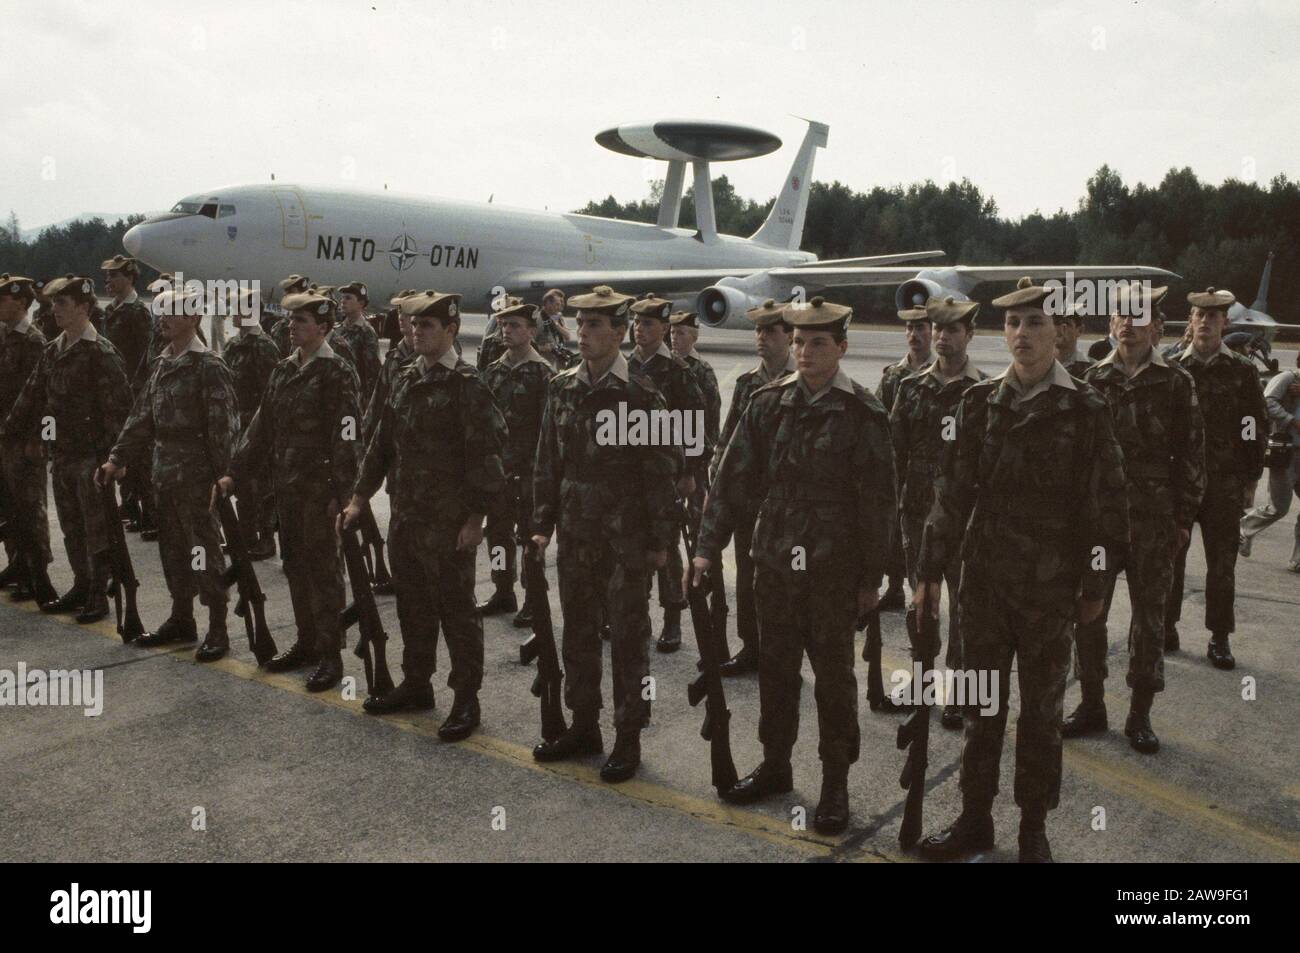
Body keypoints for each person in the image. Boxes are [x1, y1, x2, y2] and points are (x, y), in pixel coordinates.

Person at [915, 277, 1128, 863]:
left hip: (1050, 593)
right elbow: (952, 495)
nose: (1023, 335)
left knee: (1040, 718)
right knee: (982, 710)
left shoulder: (1085, 410)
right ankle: (974, 820)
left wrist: (1095, 585)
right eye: (1013, 324)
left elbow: (1107, 508)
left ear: (1059, 332)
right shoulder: (978, 404)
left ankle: (1033, 828)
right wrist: (929, 574)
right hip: (984, 588)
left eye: (1035, 323)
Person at [693, 296, 896, 834]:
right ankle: (777, 765)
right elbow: (730, 480)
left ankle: (835, 784)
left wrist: (870, 581)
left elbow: (879, 505)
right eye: (800, 342)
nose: (805, 351)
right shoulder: (766, 403)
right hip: (774, 565)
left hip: (833, 572)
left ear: (841, 347)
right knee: (777, 674)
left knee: (833, 680)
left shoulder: (863, 413)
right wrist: (707, 547)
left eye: (818, 342)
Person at [530, 286, 680, 783]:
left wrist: (660, 541)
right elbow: (548, 461)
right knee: (578, 631)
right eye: (580, 324)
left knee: (629, 640)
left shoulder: (639, 394)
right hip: (576, 534)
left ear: (619, 333)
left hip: (626, 540)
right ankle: (584, 725)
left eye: (596, 326)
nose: (584, 333)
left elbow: (662, 472)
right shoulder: (562, 387)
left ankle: (628, 735)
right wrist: (541, 524)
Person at [342, 291, 506, 740]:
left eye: (427, 326)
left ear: (451, 330)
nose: (416, 332)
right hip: (407, 517)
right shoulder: (405, 377)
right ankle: (417, 684)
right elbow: (381, 443)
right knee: (413, 606)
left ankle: (466, 698)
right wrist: (359, 497)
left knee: (456, 611)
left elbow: (487, 459)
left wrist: (476, 520)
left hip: (450, 524)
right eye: (412, 326)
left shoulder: (468, 386)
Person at [1066, 285, 1206, 753]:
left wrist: (1183, 519)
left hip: (1153, 520)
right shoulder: (1091, 380)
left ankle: (1140, 715)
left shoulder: (1176, 382)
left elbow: (1191, 455)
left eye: (1139, 317)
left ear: (1157, 329)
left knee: (1149, 619)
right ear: (1110, 326)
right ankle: (1090, 704)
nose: (1129, 324)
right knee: (1088, 613)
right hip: (1101, 523)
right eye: (1121, 317)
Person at [218, 287, 361, 691]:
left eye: (300, 321)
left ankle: (331, 655)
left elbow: (348, 435)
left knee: (324, 572)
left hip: (321, 491)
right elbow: (262, 425)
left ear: (323, 327)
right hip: (288, 489)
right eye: (289, 320)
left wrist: (345, 496)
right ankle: (306, 641)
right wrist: (234, 472)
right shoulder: (283, 369)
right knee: (295, 566)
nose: (291, 327)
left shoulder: (337, 372)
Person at [100, 287, 240, 659]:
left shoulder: (209, 366)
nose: (163, 319)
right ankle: (182, 618)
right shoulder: (161, 363)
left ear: (193, 319)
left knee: (202, 551)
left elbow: (224, 428)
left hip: (197, 479)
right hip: (164, 474)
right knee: (174, 551)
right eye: (162, 312)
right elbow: (142, 416)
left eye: (173, 313)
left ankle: (217, 626)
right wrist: (117, 457)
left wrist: (222, 477)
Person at [2, 275, 133, 620]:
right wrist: (10, 431)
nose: (55, 309)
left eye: (63, 303)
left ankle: (97, 595)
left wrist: (115, 460)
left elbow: (119, 412)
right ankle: (80, 584)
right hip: (62, 456)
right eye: (54, 303)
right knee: (71, 528)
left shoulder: (100, 353)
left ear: (85, 308)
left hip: (91, 457)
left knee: (95, 530)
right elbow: (33, 397)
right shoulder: (53, 349)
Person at [889, 296, 987, 729]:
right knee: (922, 603)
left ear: (970, 334)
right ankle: (922, 682)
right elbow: (895, 453)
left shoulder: (985, 391)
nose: (943, 337)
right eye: (938, 328)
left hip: (965, 518)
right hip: (918, 516)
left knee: (966, 606)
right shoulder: (911, 388)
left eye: (953, 329)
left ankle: (961, 691)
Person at [1165, 288, 1268, 667]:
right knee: (1170, 560)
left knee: (1221, 565)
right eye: (1198, 315)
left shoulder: (1241, 370)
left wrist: (1250, 477)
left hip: (1223, 483)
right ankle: (1166, 626)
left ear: (1225, 323)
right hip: (1178, 482)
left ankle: (1219, 638)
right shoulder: (1173, 367)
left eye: (1213, 317)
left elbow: (1250, 425)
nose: (1205, 322)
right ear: (1190, 321)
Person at [707, 299, 796, 677]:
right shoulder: (747, 384)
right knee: (747, 576)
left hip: (790, 504)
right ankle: (751, 647)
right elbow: (728, 439)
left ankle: (785, 652)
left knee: (787, 580)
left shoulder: (803, 381)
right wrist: (717, 470)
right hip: (750, 501)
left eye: (770, 331)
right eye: (758, 331)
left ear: (789, 336)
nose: (761, 338)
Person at [627, 294, 708, 652]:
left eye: (647, 323)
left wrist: (689, 472)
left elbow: (693, 424)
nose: (639, 330)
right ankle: (630, 612)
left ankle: (673, 615)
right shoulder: (623, 364)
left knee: (668, 546)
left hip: (667, 473)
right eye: (635, 322)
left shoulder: (677, 370)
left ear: (663, 328)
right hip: (630, 474)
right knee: (631, 540)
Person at [477, 297, 554, 626]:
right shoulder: (493, 371)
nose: (506, 331)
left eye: (515, 326)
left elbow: (547, 432)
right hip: (498, 471)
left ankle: (533, 599)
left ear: (531, 331)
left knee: (528, 538)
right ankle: (502, 590)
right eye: (503, 325)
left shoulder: (543, 374)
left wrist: (540, 474)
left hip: (528, 472)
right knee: (497, 534)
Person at [0, 274, 56, 605]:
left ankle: (39, 573)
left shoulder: (34, 341)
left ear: (21, 302)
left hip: (24, 440)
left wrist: (39, 438)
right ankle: (18, 564)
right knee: (8, 506)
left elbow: (43, 397)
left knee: (30, 507)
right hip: (4, 435)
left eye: (3, 299)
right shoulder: (4, 336)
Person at [219, 287, 282, 559]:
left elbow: (271, 393)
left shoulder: (264, 347)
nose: (234, 312)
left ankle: (266, 539)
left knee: (262, 485)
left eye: (239, 308)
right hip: (236, 424)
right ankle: (244, 537)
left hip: (257, 425)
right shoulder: (234, 344)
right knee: (241, 483)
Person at [876, 307, 933, 610]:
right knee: (894, 532)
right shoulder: (893, 376)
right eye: (910, 328)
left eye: (921, 328)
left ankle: (921, 593)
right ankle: (895, 586)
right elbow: (879, 419)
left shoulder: (941, 372)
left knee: (925, 536)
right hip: (898, 468)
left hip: (930, 473)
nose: (914, 335)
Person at [1239, 350, 1300, 571]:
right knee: (1279, 507)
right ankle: (1244, 528)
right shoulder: (1288, 379)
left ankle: (1298, 560)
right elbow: (1267, 402)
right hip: (1286, 451)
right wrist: (1291, 420)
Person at [333, 281, 382, 406]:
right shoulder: (337, 329)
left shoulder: (366, 331)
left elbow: (372, 370)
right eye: (342, 297)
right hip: (334, 393)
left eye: (348, 298)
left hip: (355, 397)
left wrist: (368, 401)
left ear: (361, 303)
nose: (343, 301)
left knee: (349, 425)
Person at [1056, 305, 1094, 378]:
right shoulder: (1036, 364)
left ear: (1080, 330)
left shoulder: (1092, 369)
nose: (1060, 329)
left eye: (1066, 324)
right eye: (1056, 323)